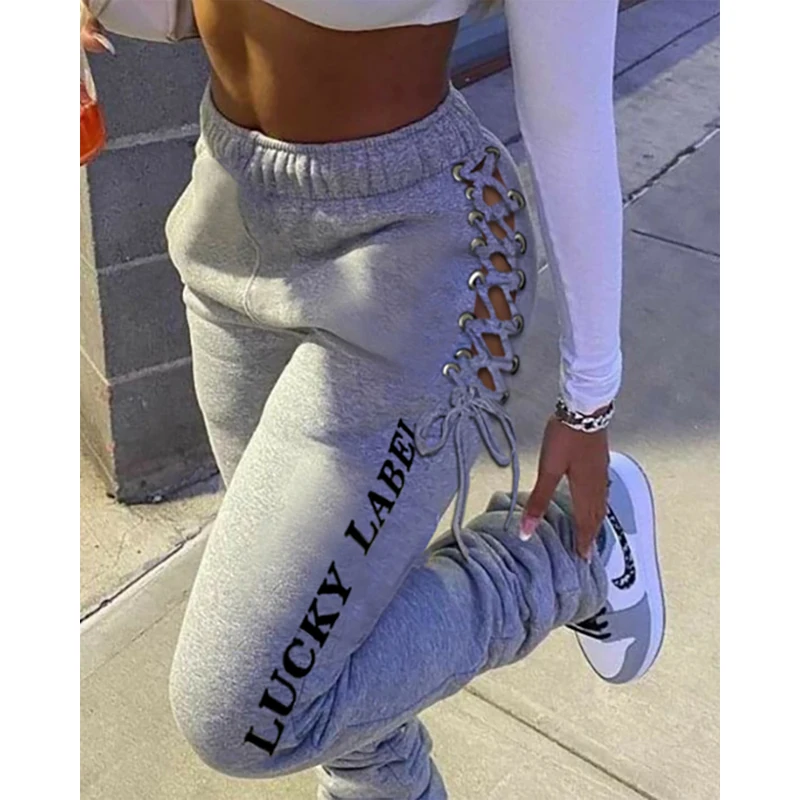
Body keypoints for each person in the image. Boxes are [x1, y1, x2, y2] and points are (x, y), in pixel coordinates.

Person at [82, 1, 666, 796]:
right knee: (318, 643)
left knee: (247, 712)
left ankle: (572, 556)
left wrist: (589, 400)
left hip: (411, 260)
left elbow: (568, 117)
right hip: (229, 217)